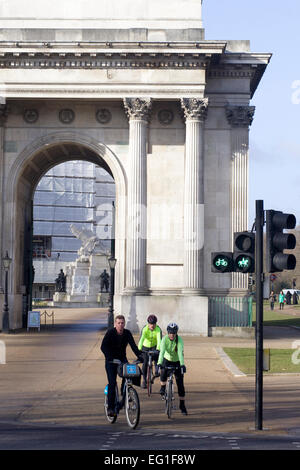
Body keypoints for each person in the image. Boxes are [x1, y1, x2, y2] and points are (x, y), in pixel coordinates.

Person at [101, 315, 142, 417]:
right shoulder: (110, 333)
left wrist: (140, 356)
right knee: (112, 382)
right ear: (115, 324)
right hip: (111, 361)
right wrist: (109, 357)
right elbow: (103, 346)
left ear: (124, 324)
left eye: (122, 323)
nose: (120, 325)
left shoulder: (127, 333)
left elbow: (134, 346)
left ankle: (124, 395)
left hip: (122, 359)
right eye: (118, 323)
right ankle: (110, 408)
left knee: (130, 376)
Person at [157, 322, 187, 415]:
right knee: (163, 371)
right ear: (168, 332)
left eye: (174, 333)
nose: (172, 335)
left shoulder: (179, 340)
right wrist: (159, 363)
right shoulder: (164, 339)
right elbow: (161, 352)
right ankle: (162, 387)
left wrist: (182, 364)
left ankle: (182, 406)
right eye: (170, 332)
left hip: (177, 361)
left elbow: (180, 354)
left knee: (180, 385)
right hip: (167, 359)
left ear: (176, 333)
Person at [138, 314, 162, 389]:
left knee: (157, 357)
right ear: (148, 323)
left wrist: (158, 349)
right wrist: (139, 348)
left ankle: (156, 371)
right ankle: (144, 380)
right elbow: (141, 339)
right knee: (145, 362)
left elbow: (159, 340)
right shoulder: (145, 329)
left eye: (154, 324)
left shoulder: (158, 329)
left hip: (154, 346)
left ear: (156, 323)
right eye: (150, 324)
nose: (152, 326)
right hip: (145, 347)